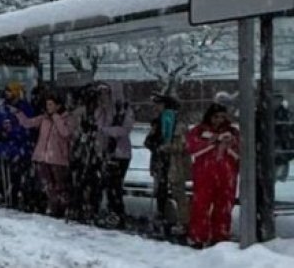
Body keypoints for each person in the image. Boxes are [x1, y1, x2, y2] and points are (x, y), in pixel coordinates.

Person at [185, 103, 240, 248]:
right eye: (216, 117)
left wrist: (230, 144)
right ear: (209, 116)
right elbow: (191, 147)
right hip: (205, 174)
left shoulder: (233, 132)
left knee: (224, 207)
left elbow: (241, 150)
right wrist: (211, 142)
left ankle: (220, 236)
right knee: (200, 206)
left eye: (222, 117)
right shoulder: (199, 130)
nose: (219, 120)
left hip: (226, 175)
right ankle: (198, 236)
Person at [13, 93, 71, 217]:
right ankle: (52, 206)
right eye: (47, 104)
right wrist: (18, 113)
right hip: (42, 157)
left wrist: (56, 117)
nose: (48, 107)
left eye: (51, 104)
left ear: (58, 106)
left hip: (58, 158)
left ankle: (61, 207)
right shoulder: (43, 119)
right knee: (47, 184)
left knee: (59, 184)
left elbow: (65, 133)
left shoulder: (65, 118)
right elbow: (28, 123)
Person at [144, 93, 190, 238]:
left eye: (158, 104)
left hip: (174, 162)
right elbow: (149, 141)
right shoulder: (157, 122)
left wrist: (169, 147)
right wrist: (157, 145)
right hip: (161, 161)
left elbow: (184, 144)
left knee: (178, 192)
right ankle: (165, 218)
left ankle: (184, 222)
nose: (155, 108)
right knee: (161, 192)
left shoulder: (178, 122)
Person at [0, 81, 34, 209]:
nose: (7, 94)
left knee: (17, 174)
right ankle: (3, 194)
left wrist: (14, 132)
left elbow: (28, 127)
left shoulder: (25, 108)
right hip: (3, 147)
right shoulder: (1, 109)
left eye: (9, 91)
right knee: (0, 172)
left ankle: (15, 197)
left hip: (19, 147)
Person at [95, 82, 134, 228]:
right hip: (107, 152)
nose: (103, 96)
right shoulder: (103, 110)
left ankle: (117, 213)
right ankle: (113, 211)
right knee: (108, 183)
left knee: (115, 184)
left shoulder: (123, 110)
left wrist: (107, 130)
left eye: (106, 93)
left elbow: (124, 130)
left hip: (120, 153)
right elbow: (97, 125)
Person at [68, 83, 106, 223]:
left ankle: (93, 208)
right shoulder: (79, 112)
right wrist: (81, 133)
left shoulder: (101, 112)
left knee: (95, 181)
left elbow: (102, 129)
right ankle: (78, 207)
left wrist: (95, 133)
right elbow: (74, 131)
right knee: (80, 180)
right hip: (82, 150)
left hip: (96, 151)